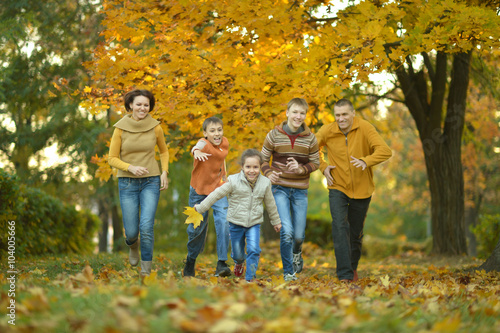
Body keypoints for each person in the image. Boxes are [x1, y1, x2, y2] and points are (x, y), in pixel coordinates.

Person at [315, 98, 392, 282]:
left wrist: (366, 161)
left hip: (362, 188)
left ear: (353, 114)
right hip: (337, 186)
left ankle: (352, 267)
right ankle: (345, 276)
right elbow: (311, 149)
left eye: (344, 115)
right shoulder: (327, 130)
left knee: (355, 233)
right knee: (340, 227)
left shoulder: (365, 128)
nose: (340, 119)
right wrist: (323, 167)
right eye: (337, 115)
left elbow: (385, 150)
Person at [194, 149, 282, 282]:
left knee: (254, 249)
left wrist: (276, 221)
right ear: (242, 167)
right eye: (248, 167)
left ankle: (250, 278)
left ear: (260, 167)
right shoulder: (233, 181)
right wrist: (201, 207)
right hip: (235, 223)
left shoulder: (265, 183)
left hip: (254, 223)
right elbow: (216, 194)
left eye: (255, 167)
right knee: (239, 254)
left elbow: (271, 204)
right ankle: (239, 262)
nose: (251, 170)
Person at [108, 89, 169, 276]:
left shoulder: (155, 127)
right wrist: (130, 167)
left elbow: (164, 152)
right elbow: (112, 158)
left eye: (146, 105)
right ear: (130, 106)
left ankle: (146, 270)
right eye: (139, 104)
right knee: (133, 231)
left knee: (147, 226)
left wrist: (164, 172)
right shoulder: (120, 128)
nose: (143, 108)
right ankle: (133, 245)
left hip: (151, 181)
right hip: (127, 182)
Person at [261, 98, 319, 281]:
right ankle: (288, 272)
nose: (298, 116)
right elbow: (262, 160)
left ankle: (296, 252)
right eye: (295, 112)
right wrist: (269, 173)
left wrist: (301, 169)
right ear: (287, 113)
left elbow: (316, 162)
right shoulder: (273, 135)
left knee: (299, 235)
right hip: (279, 189)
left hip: (300, 191)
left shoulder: (310, 138)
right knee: (287, 231)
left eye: (302, 113)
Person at [183, 117, 231, 278]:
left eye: (219, 129)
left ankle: (222, 263)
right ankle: (190, 260)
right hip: (198, 191)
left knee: (224, 221)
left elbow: (221, 161)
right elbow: (197, 147)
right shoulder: (203, 144)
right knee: (196, 229)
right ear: (205, 133)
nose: (216, 133)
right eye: (212, 131)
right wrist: (196, 151)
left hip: (218, 189)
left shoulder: (225, 143)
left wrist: (225, 177)